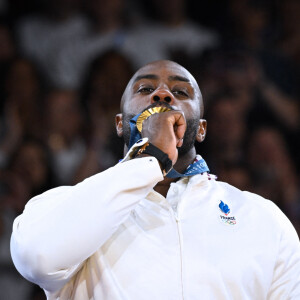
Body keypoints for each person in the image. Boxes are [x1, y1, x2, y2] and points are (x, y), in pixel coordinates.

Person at [10, 60, 300, 299]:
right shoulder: (70, 204)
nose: (162, 94)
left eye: (181, 92)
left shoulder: (261, 217)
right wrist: (151, 161)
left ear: (201, 130)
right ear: (121, 124)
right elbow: (36, 259)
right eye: (146, 88)